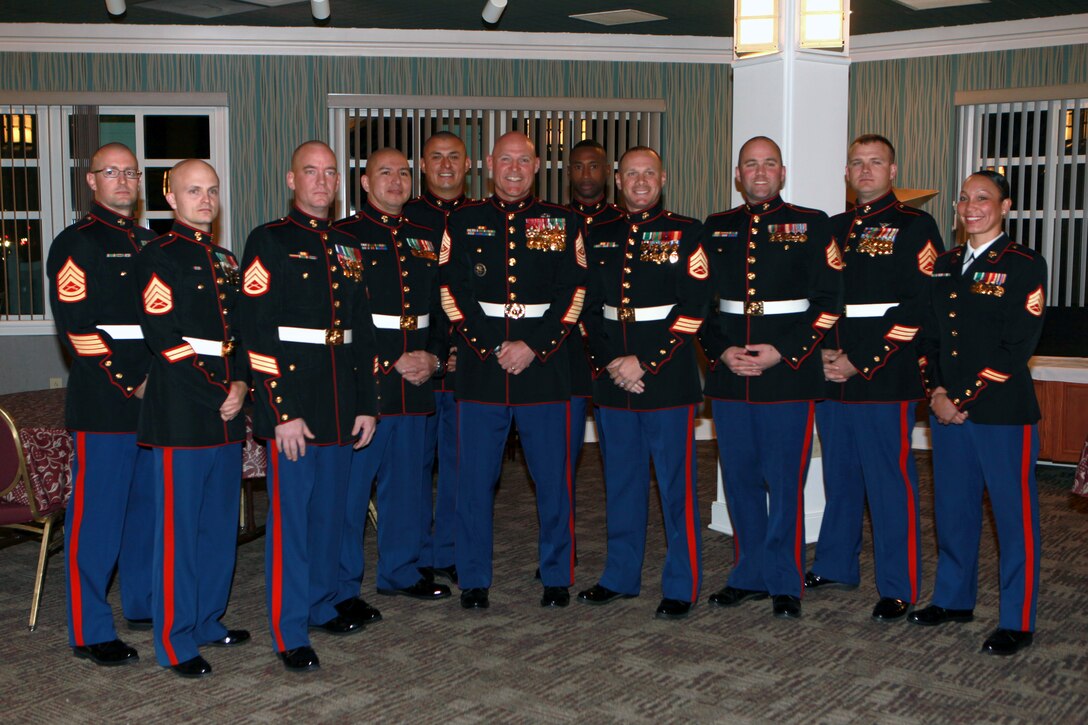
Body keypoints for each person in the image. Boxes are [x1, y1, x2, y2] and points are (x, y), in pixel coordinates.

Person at [238, 141, 379, 672]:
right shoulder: (268, 241)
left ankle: (320, 604)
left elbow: (361, 330)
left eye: (329, 173)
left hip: (343, 403)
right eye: (310, 172)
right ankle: (288, 627)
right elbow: (256, 333)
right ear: (291, 179)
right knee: (291, 524)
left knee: (331, 519)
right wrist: (279, 411)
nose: (321, 182)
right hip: (295, 406)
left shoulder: (347, 245)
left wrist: (368, 403)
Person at [439, 131, 586, 610]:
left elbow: (574, 293)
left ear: (539, 165)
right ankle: (474, 577)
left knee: (553, 479)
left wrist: (532, 346)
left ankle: (557, 574)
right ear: (488, 163)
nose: (515, 169)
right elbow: (450, 291)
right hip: (482, 370)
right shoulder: (463, 221)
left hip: (545, 368)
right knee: (473, 481)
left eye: (525, 160)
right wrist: (492, 344)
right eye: (506, 160)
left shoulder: (564, 222)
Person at [700, 136, 843, 620]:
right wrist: (721, 352)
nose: (759, 174)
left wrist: (783, 352)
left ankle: (785, 580)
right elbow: (700, 305)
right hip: (732, 374)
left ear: (782, 173)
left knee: (785, 482)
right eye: (749, 166)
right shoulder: (715, 228)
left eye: (769, 165)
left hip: (788, 374)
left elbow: (829, 305)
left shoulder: (813, 224)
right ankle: (748, 573)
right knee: (738, 479)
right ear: (737, 175)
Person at [806, 134, 945, 622]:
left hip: (884, 373)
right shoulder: (833, 227)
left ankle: (899, 584)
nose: (865, 171)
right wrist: (821, 353)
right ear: (846, 172)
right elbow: (820, 298)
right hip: (831, 372)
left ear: (892, 169)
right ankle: (836, 564)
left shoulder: (915, 224)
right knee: (839, 475)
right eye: (856, 163)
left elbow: (921, 303)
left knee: (889, 482)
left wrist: (861, 359)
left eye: (875, 163)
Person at [910, 170, 1046, 656]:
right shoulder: (944, 265)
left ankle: (1017, 618)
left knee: (1014, 520)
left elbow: (1016, 346)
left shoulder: (1025, 264)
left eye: (983, 198)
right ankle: (952, 599)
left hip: (1002, 415)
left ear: (1005, 207)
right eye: (964, 198)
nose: (971, 207)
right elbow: (928, 339)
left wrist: (957, 398)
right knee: (953, 511)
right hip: (948, 415)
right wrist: (936, 392)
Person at [577, 146, 709, 620]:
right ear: (618, 179)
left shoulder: (688, 232)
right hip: (614, 380)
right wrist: (612, 361)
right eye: (630, 173)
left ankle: (682, 582)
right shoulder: (599, 233)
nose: (638, 181)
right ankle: (620, 576)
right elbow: (587, 308)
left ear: (663, 177)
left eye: (648, 173)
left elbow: (695, 308)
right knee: (622, 484)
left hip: (667, 378)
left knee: (677, 489)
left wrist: (645, 362)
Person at [135, 159, 250, 678]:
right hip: (184, 411)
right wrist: (216, 392)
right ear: (170, 196)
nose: (205, 200)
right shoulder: (157, 255)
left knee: (218, 526)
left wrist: (243, 383)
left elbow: (242, 333)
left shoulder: (225, 258)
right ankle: (173, 639)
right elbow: (164, 337)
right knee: (179, 533)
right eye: (194, 191)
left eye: (212, 190)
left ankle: (206, 619)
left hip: (226, 409)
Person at [47, 142, 155, 667]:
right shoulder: (76, 244)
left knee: (146, 513)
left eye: (130, 172)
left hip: (157, 402)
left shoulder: (152, 243)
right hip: (106, 403)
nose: (122, 180)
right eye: (110, 172)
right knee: (98, 522)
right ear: (91, 182)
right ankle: (88, 630)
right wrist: (129, 380)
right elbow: (77, 329)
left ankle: (141, 603)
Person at [334, 148, 450, 614]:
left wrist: (434, 357)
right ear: (364, 182)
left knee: (409, 487)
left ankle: (401, 571)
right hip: (368, 385)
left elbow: (444, 307)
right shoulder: (345, 235)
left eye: (403, 172)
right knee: (351, 494)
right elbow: (340, 312)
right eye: (385, 172)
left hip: (416, 382)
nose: (396, 180)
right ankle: (342, 587)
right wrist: (392, 359)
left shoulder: (426, 237)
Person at [404, 131, 471, 587]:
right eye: (436, 158)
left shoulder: (484, 217)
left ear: (468, 166)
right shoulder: (404, 217)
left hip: (468, 362)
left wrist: (460, 346)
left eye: (454, 157)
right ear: (422, 167)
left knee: (459, 465)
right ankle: (413, 554)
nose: (445, 165)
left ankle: (447, 549)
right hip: (418, 365)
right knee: (412, 466)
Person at [565, 139, 623, 516]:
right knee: (561, 460)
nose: (587, 174)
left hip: (612, 351)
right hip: (565, 351)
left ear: (607, 172)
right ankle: (562, 553)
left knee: (618, 459)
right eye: (579, 166)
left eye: (594, 166)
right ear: (569, 172)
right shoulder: (554, 221)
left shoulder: (624, 222)